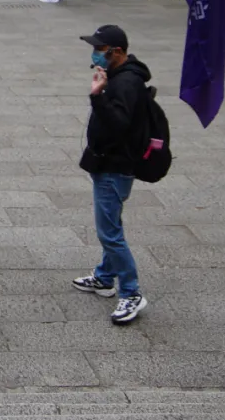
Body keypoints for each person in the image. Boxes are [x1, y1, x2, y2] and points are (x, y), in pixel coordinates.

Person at [74, 24, 151, 325]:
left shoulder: (127, 83)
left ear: (116, 52)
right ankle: (106, 277)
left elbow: (119, 123)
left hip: (114, 167)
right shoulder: (122, 77)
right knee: (112, 223)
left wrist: (97, 95)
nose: (95, 53)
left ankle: (131, 292)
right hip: (109, 164)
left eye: (99, 49)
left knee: (109, 232)